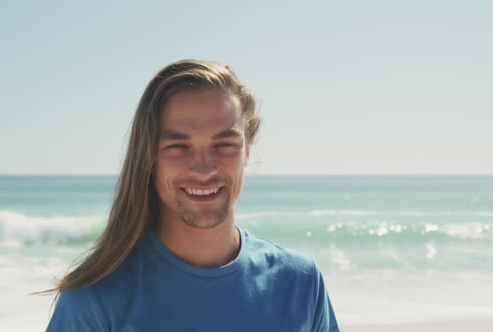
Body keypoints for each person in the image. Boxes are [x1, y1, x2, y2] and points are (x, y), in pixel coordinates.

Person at [45, 59, 339, 331]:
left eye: (224, 145)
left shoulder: (300, 284)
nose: (203, 169)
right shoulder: (94, 300)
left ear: (247, 148)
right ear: (148, 156)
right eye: (178, 147)